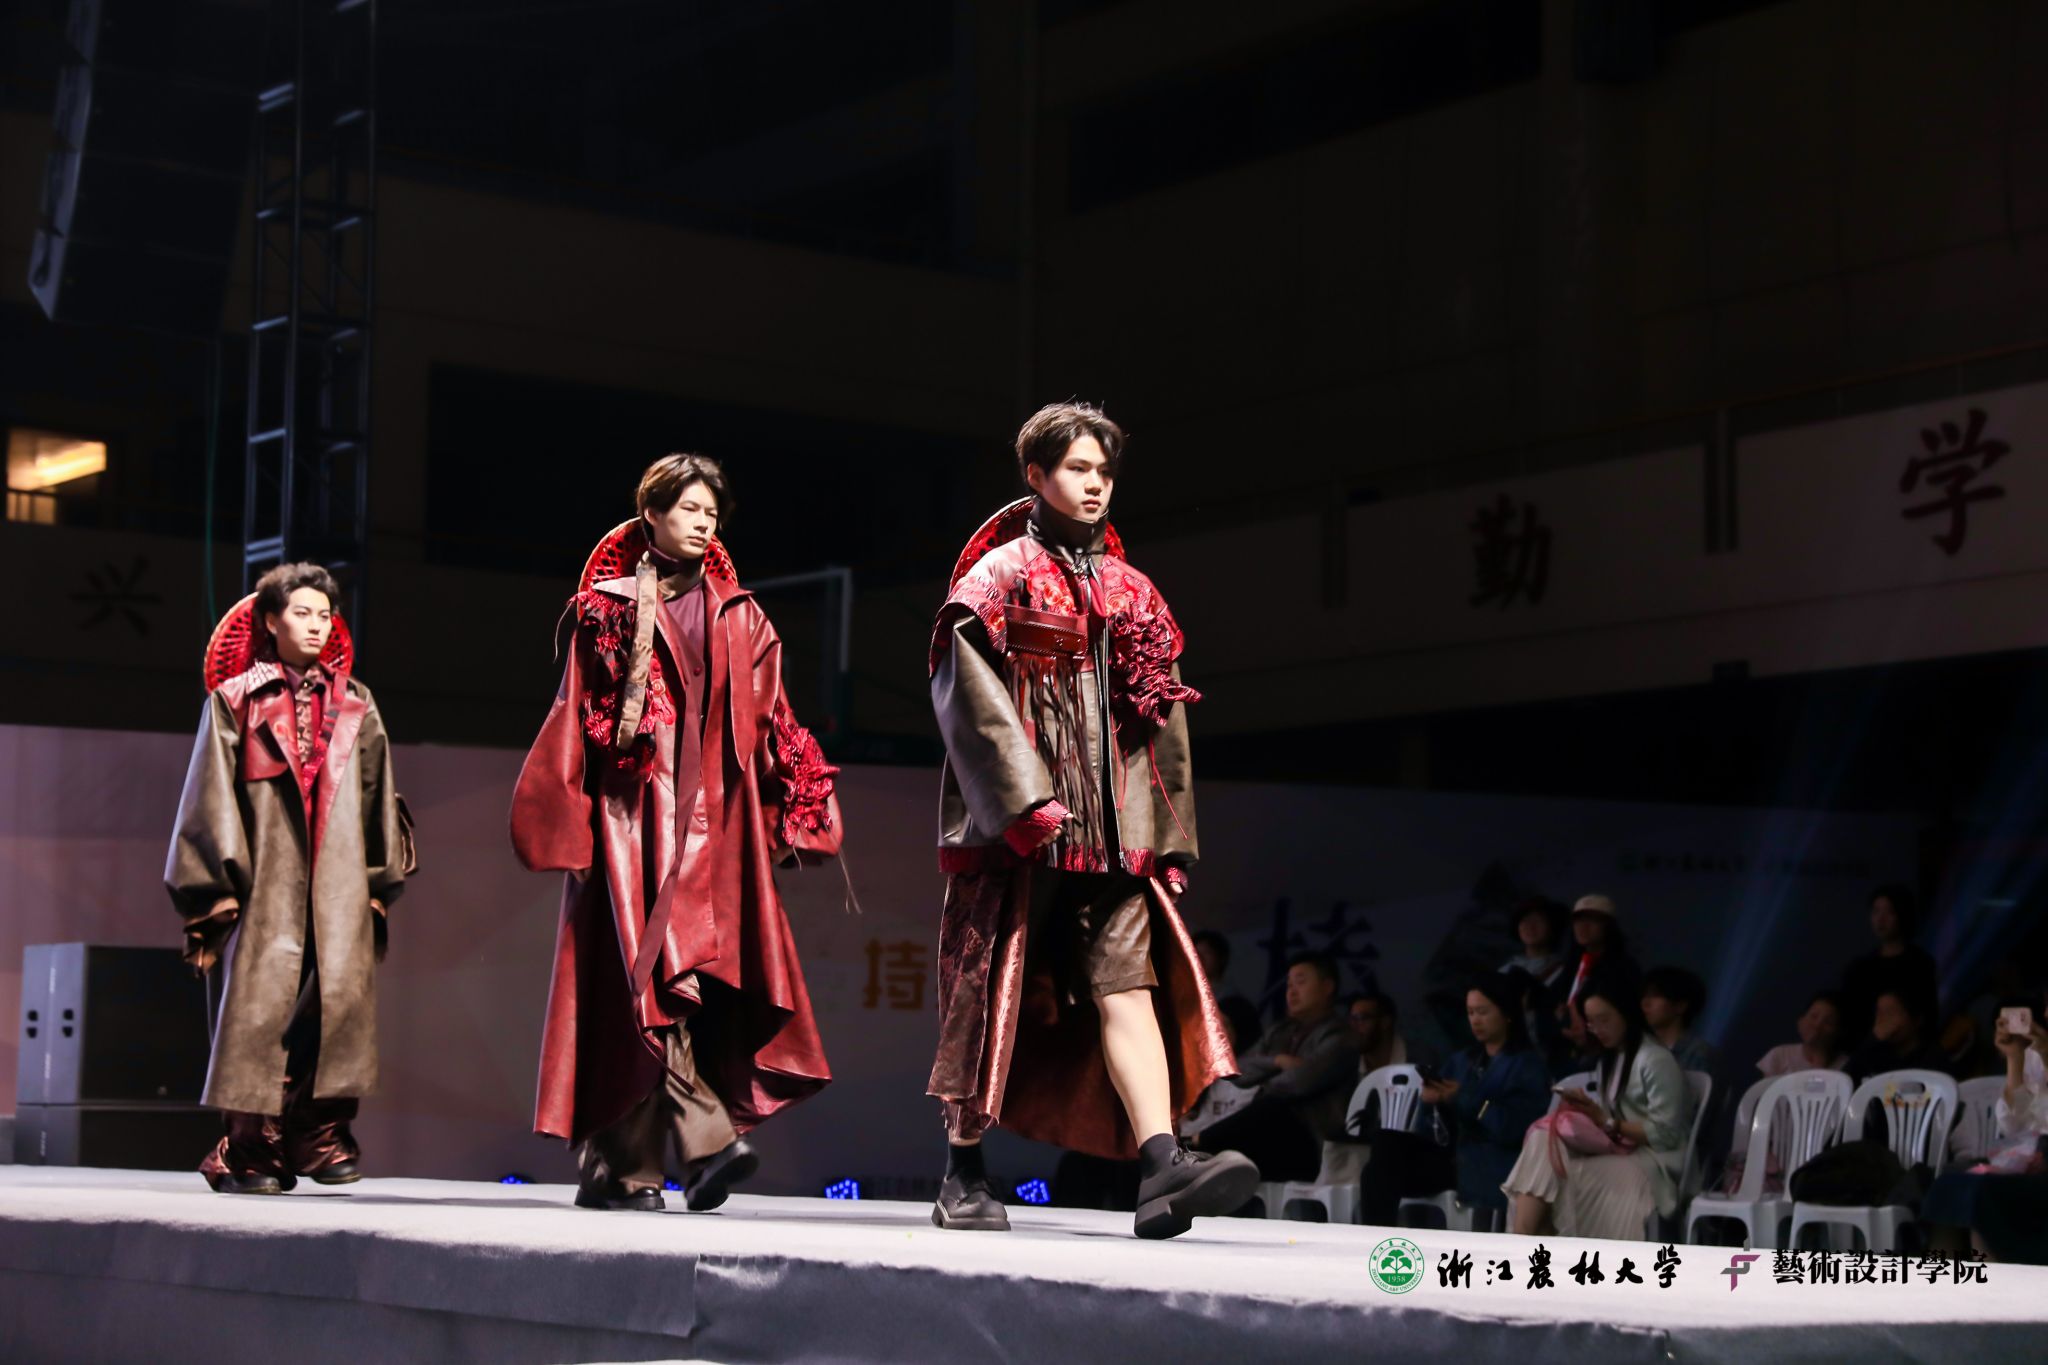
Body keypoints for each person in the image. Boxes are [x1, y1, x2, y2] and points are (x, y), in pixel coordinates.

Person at [923, 401, 1250, 1240]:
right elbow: (968, 698)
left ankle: (1162, 1165)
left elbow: (1162, 720)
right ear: (1035, 475)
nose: (1095, 483)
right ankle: (963, 1169)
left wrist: (1167, 837)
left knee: (1127, 986)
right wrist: (1020, 802)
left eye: (1104, 470)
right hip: (1020, 837)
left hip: (1112, 842)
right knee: (987, 993)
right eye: (1077, 468)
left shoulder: (1134, 591)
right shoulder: (996, 578)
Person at [511, 454, 844, 1212]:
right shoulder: (606, 609)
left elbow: (775, 723)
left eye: (711, 513)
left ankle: (623, 1170)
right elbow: (573, 717)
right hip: (631, 827)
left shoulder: (743, 616)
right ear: (652, 514)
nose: (702, 522)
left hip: (714, 830)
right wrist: (570, 827)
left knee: (679, 990)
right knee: (647, 985)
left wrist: (796, 811)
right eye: (688, 508)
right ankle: (704, 1143)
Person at [166, 563, 414, 1194]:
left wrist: (377, 885)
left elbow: (377, 795)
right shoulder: (235, 700)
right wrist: (216, 891)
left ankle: (317, 1133)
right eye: (301, 613)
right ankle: (250, 1148)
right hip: (264, 883)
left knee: (334, 1009)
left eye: (324, 615)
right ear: (271, 621)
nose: (315, 625)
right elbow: (210, 796)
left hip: (338, 883)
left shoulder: (356, 702)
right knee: (259, 1014)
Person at [1503, 982, 1694, 1240]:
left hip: (1654, 1164)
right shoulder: (1611, 1060)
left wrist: (1607, 1122)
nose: (1598, 1029)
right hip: (1623, 1151)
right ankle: (1525, 1235)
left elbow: (1666, 1134)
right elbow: (1607, 1123)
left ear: (1626, 1013)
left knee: (1555, 1181)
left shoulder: (1655, 1059)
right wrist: (1590, 1114)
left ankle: (1523, 1238)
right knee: (1542, 1139)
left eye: (1604, 1020)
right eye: (1591, 1022)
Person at [1358, 974, 1551, 1226]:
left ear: (1506, 1013)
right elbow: (1431, 1131)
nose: (1475, 1020)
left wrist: (1463, 1098)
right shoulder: (1462, 1061)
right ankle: (1376, 1236)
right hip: (1454, 1159)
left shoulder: (1527, 1066)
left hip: (1494, 1163)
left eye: (1483, 1012)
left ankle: (1379, 1232)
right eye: (1470, 1012)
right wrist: (1433, 1103)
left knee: (1386, 1162)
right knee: (1385, 1145)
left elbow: (1514, 1130)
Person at [1195, 953, 1358, 1183]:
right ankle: (1199, 1150)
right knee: (1235, 1151)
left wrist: (1265, 1082)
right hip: (1272, 1137)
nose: (1292, 991)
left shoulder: (1341, 1036)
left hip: (1313, 1142)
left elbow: (1300, 1082)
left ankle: (1199, 1142)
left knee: (1272, 1107)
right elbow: (1238, 1071)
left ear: (1327, 987)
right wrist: (1277, 1061)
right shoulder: (1280, 1031)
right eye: (1289, 984)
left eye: (1301, 982)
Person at [1921, 996, 2048, 1251]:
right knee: (1948, 1185)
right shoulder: (2036, 1055)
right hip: (2034, 1158)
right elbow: (2015, 1125)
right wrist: (2015, 1058)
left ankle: (1993, 1273)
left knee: (1983, 1193)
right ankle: (1941, 1274)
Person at [1840, 883, 1941, 1045]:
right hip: (1868, 1048)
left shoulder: (1920, 963)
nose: (1881, 919)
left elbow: (1929, 1015)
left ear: (1903, 915)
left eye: (1889, 912)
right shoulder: (1860, 968)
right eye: (1876, 911)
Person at [1556, 894, 1642, 1063]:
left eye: (1593, 920)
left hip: (1605, 1054)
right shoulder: (1572, 964)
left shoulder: (1623, 967)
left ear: (1608, 926)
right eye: (1578, 921)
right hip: (1568, 1051)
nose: (1583, 926)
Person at [1844, 988, 1950, 1086]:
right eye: (1879, 1013)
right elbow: (1843, 1083)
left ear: (1917, 1019)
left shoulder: (1933, 1058)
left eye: (1890, 1013)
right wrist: (1873, 1039)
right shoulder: (1873, 1054)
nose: (1883, 1021)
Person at [1756, 990, 1849, 1077]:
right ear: (1801, 1020)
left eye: (1828, 1022)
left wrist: (1819, 1058)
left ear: (1838, 1032)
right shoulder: (1779, 1055)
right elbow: (1766, 1088)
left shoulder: (1845, 1065)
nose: (1817, 1025)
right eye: (1814, 1016)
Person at [1500, 897, 1569, 992]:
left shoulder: (1563, 971)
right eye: (1525, 920)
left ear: (1553, 927)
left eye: (1538, 920)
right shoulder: (1507, 968)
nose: (1530, 926)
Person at [1348, 990, 1410, 1075]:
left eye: (1361, 1018)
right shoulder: (1347, 1069)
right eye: (1352, 1019)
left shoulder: (1420, 1061)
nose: (1354, 1026)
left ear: (1385, 1022)